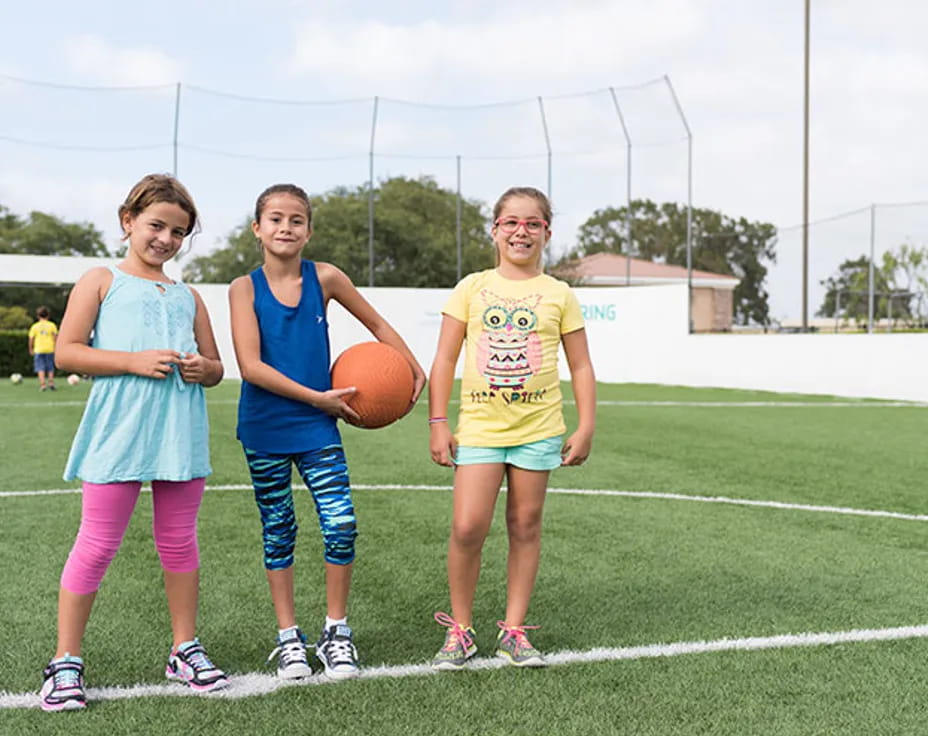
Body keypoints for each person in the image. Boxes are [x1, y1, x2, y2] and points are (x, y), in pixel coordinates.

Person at [39, 174, 227, 712]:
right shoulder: (100, 280)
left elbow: (216, 368)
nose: (166, 239)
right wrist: (131, 361)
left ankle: (184, 649)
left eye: (178, 232)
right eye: (156, 225)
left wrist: (202, 368)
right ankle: (66, 660)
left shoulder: (189, 296)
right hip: (118, 430)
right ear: (128, 222)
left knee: (179, 541)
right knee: (96, 544)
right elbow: (69, 354)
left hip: (179, 433)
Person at [229, 183, 425, 681]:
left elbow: (377, 323)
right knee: (279, 531)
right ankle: (289, 639)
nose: (285, 228)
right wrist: (317, 397)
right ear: (257, 228)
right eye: (275, 219)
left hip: (318, 428)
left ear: (309, 230)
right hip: (267, 426)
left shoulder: (328, 278)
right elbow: (250, 366)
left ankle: (336, 632)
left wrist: (409, 364)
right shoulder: (243, 289)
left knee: (340, 525)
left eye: (296, 220)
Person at [428, 186, 596, 670]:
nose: (521, 231)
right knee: (467, 527)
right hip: (480, 429)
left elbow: (581, 365)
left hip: (539, 429)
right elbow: (444, 358)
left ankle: (514, 631)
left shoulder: (559, 294)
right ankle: (460, 630)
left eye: (533, 224)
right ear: (495, 230)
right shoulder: (472, 287)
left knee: (524, 525)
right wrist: (439, 422)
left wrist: (586, 425)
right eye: (511, 223)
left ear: (546, 232)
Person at [29, 306, 58, 390]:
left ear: (38, 316)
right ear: (48, 316)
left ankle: (43, 384)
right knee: (50, 366)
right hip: (50, 348)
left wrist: (31, 349)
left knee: (40, 367)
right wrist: (56, 347)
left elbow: (31, 339)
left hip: (38, 349)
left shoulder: (35, 326)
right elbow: (55, 337)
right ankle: (51, 382)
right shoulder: (52, 325)